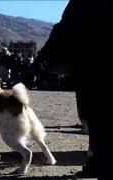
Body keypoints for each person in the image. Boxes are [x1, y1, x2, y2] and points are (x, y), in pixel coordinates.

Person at [34, 0, 113, 178]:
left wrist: (43, 59)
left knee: (98, 118)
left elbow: (64, 29)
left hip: (93, 69)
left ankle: (97, 164)